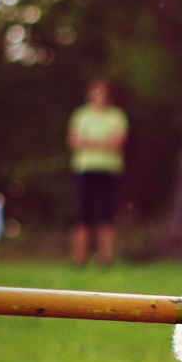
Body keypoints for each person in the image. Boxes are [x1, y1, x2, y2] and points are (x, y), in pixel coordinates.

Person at [68, 79, 128, 265]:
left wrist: (89, 142)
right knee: (83, 215)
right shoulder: (81, 115)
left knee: (107, 215)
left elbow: (118, 142)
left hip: (110, 170)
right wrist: (104, 143)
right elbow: (74, 142)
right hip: (85, 169)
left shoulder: (117, 116)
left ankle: (106, 259)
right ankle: (79, 259)